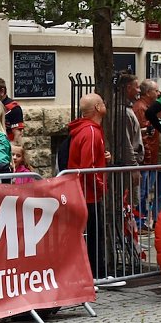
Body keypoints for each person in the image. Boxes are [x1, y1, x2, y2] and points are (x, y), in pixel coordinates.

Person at [67, 93, 109, 279]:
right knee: (93, 234)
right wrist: (100, 187)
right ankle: (95, 274)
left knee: (91, 233)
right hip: (88, 193)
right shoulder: (91, 132)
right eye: (102, 102)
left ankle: (94, 273)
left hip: (83, 190)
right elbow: (89, 166)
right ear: (98, 108)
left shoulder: (85, 130)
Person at [0, 77, 24, 142]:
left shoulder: (14, 108)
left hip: (7, 146)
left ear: (2, 91)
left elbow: (18, 134)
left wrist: (12, 149)